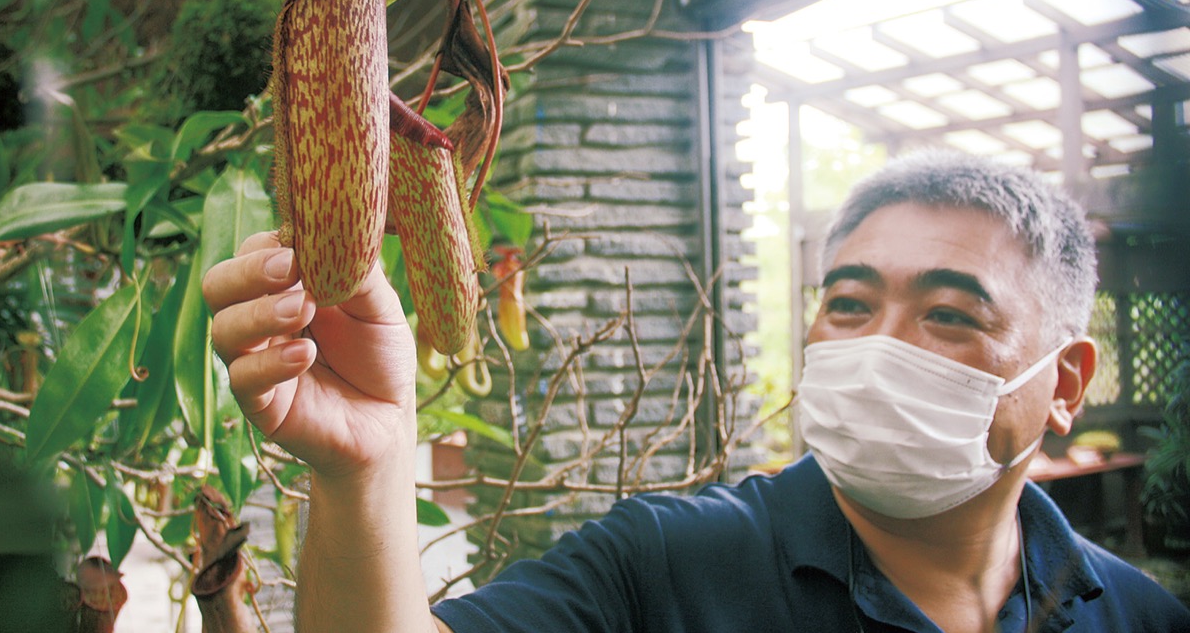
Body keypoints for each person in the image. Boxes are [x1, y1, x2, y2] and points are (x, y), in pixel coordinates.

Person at [203, 150, 1190, 633]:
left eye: (947, 314)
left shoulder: (1139, 615)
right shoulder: (665, 566)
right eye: (847, 302)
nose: (877, 344)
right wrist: (363, 467)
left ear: (1063, 381)